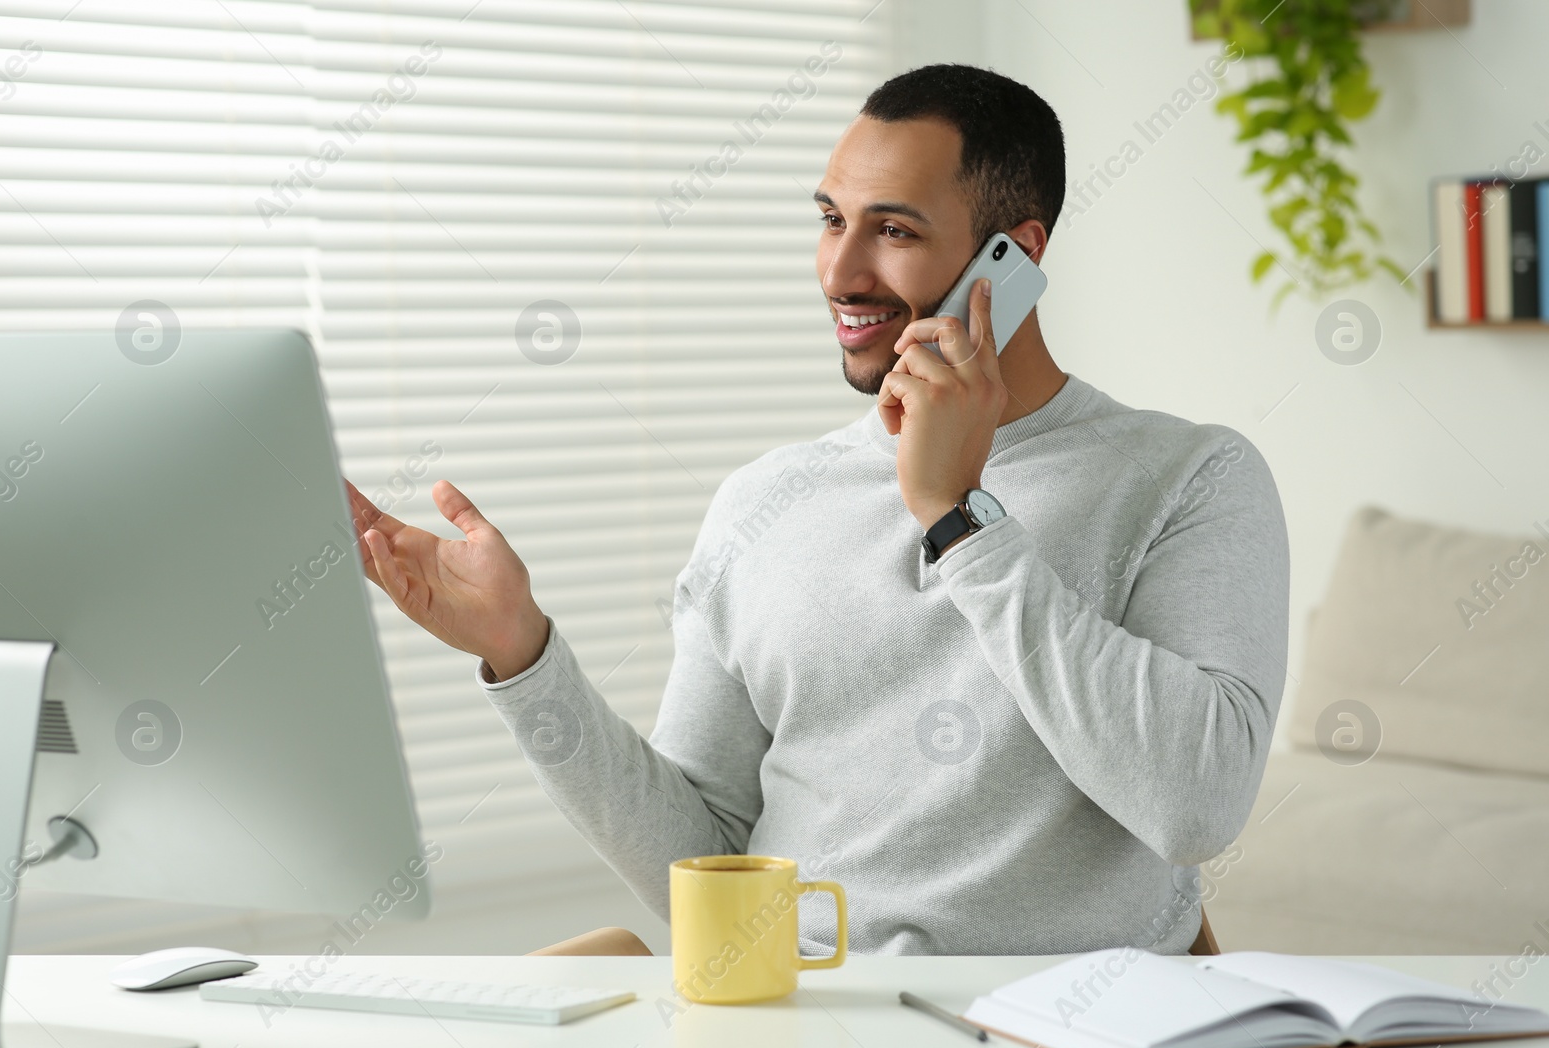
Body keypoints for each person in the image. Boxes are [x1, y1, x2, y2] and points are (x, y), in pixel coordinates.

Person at [346, 64, 1289, 957]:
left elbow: (1193, 807)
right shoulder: (765, 502)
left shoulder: (1189, 477)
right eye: (831, 219)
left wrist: (957, 516)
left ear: (1017, 255)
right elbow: (704, 865)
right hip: (804, 1020)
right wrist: (523, 654)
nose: (840, 271)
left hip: (1058, 1028)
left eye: (896, 230)